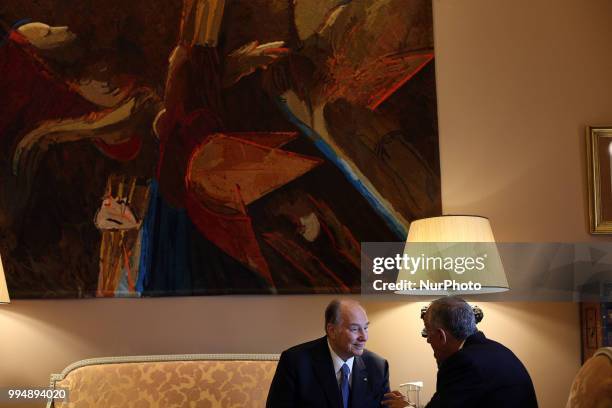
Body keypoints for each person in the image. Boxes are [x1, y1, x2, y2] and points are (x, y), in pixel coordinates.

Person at [383, 296, 538, 408]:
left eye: (428, 332)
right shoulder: (499, 350)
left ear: (441, 336)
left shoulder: (463, 363)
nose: (428, 340)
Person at [266, 299, 390, 407]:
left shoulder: (377, 367)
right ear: (332, 331)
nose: (364, 337)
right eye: (354, 329)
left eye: (366, 328)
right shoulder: (295, 362)